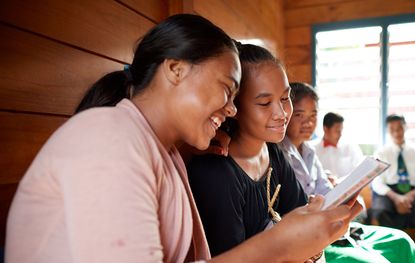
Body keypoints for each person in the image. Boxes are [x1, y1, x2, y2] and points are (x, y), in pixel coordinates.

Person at [6, 14, 361, 263]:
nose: (232, 110)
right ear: (175, 70)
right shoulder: (107, 136)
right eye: (226, 90)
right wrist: (278, 246)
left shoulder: (168, 154)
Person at [188, 44, 362, 261]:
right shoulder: (215, 173)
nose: (281, 114)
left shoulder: (272, 152)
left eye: (284, 98)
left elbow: (299, 215)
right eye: (264, 103)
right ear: (233, 107)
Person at [280, 82, 415, 263]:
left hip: (334, 225)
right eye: (300, 115)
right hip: (311, 239)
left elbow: (325, 190)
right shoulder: (278, 155)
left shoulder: (310, 153)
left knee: (403, 241)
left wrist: (343, 190)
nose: (308, 122)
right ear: (286, 113)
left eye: (313, 115)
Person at [371, 114, 415, 257]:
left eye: (399, 128)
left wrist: (408, 197)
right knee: (378, 213)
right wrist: (396, 198)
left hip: (414, 193)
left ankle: (413, 256)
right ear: (388, 131)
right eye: (392, 129)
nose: (396, 133)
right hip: (389, 193)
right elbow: (377, 182)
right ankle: (388, 256)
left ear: (405, 127)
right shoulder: (381, 152)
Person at [314, 112, 364, 185]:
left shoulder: (351, 148)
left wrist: (339, 182)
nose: (340, 134)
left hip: (347, 190)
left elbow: (359, 171)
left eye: (341, 130)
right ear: (326, 129)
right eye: (337, 131)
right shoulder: (313, 150)